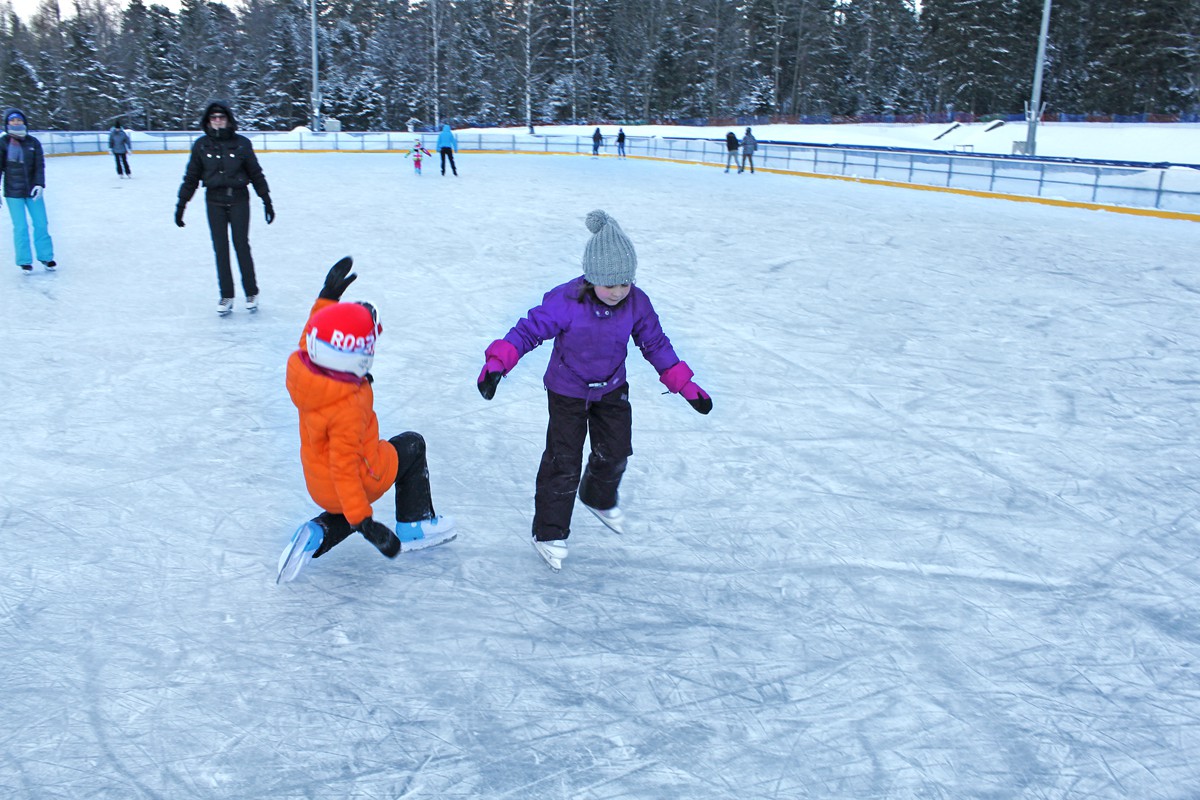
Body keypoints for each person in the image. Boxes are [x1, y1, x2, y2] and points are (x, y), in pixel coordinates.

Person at [476, 210, 712, 571]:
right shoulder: (566, 301)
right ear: (592, 277)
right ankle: (549, 532)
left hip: (612, 388)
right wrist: (497, 364)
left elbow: (655, 343)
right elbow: (527, 331)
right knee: (563, 462)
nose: (618, 291)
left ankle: (597, 496)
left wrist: (685, 384)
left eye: (625, 283)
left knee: (616, 450)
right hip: (567, 391)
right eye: (609, 283)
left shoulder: (637, 303)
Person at [277, 256, 457, 583]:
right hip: (353, 478)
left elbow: (312, 335)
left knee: (346, 500)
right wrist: (366, 524)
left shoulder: (304, 367)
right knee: (411, 446)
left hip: (316, 479)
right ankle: (415, 525)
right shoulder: (345, 406)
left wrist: (327, 297)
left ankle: (317, 533)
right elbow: (345, 469)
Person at [175, 101, 274, 315]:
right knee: (220, 248)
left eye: (221, 117)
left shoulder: (242, 143)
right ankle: (226, 295)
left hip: (239, 200)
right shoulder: (201, 145)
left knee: (241, 245)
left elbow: (256, 173)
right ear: (208, 121)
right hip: (214, 201)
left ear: (228, 119)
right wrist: (181, 204)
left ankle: (251, 292)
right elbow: (191, 177)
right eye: (214, 117)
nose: (218, 120)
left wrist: (266, 200)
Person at [0, 108, 56, 274]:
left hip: (33, 191)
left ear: (24, 122)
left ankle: (46, 257)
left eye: (19, 120)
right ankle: (24, 261)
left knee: (41, 223)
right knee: (20, 227)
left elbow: (39, 165)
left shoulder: (33, 142)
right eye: (12, 120)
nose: (16, 122)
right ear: (7, 123)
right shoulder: (3, 142)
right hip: (13, 192)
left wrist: (40, 184)